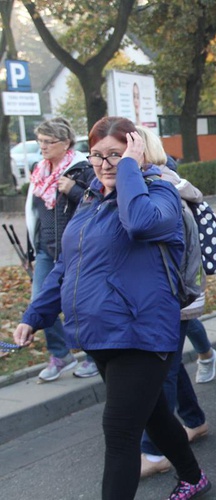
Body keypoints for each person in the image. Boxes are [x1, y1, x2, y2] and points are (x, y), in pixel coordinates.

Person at [14, 117, 210, 500]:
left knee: (120, 432)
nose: (105, 165)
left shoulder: (161, 194)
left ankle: (188, 476)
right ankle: (193, 476)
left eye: (116, 155)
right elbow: (66, 265)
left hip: (142, 331)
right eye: (98, 156)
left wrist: (131, 171)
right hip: (97, 331)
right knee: (153, 414)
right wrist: (34, 316)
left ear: (138, 154)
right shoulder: (89, 200)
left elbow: (138, 223)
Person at [134, 126, 211, 478]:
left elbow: (174, 254)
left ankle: (153, 452)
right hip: (173, 295)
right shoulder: (157, 185)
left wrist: (172, 297)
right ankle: (194, 421)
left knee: (159, 371)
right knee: (171, 364)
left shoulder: (162, 190)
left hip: (172, 296)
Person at [24, 117, 98, 381]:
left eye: (48, 141)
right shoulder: (39, 169)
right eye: (39, 141)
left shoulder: (82, 169)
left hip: (76, 249)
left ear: (66, 142)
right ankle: (61, 354)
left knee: (81, 306)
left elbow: (99, 204)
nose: (42, 146)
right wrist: (31, 249)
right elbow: (33, 211)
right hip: (45, 249)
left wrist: (75, 191)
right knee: (39, 303)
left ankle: (93, 357)